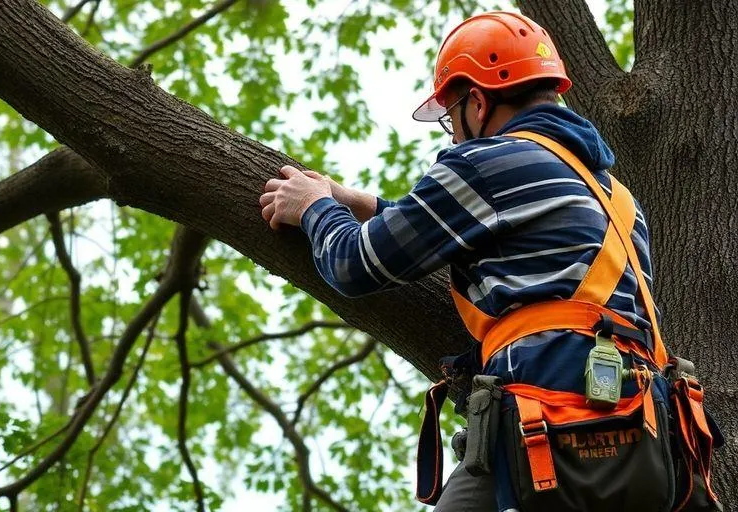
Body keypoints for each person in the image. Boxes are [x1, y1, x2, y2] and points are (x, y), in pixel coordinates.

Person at [259, 10, 678, 512]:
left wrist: (314, 208)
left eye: (449, 115)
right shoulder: (619, 201)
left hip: (544, 425)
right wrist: (358, 201)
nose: (452, 135)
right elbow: (466, 227)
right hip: (642, 441)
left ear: (477, 103)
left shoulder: (485, 164)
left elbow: (357, 263)